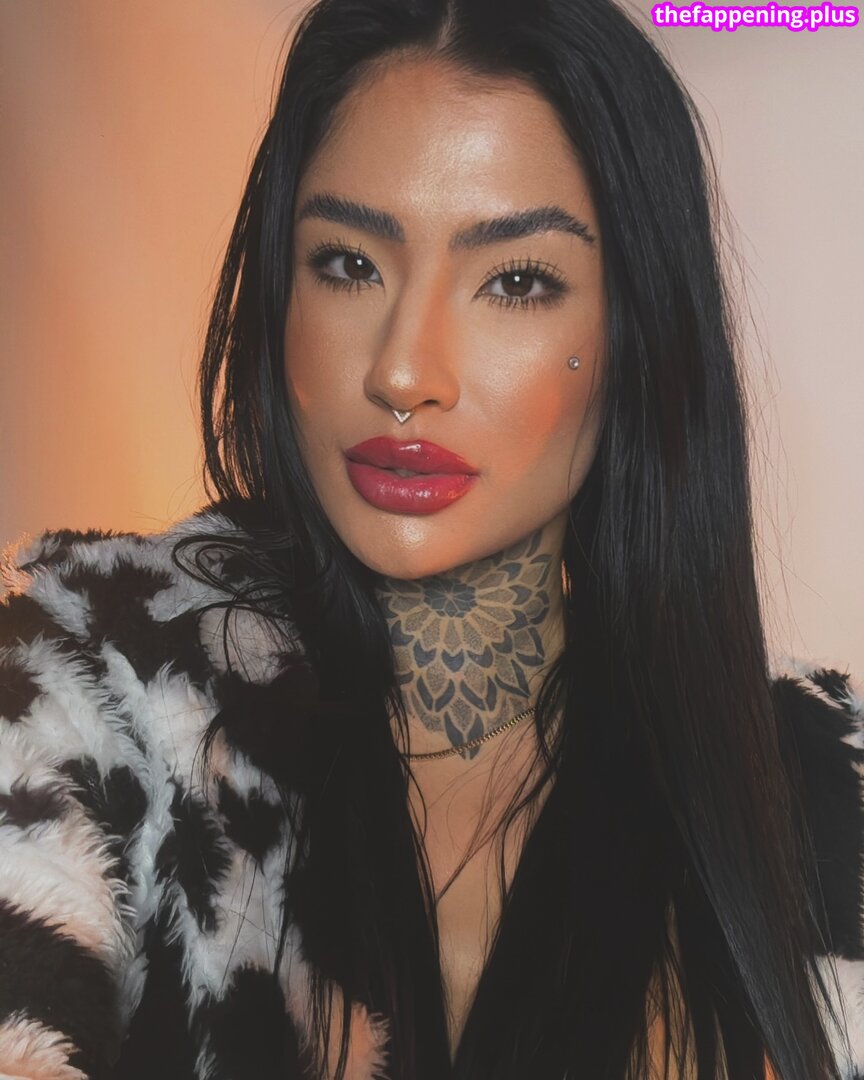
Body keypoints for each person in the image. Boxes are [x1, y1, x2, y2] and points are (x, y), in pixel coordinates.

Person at [0, 0, 861, 1077]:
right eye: (348, 265)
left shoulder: (818, 793)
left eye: (517, 282)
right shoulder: (91, 694)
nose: (404, 371)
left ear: (636, 333)